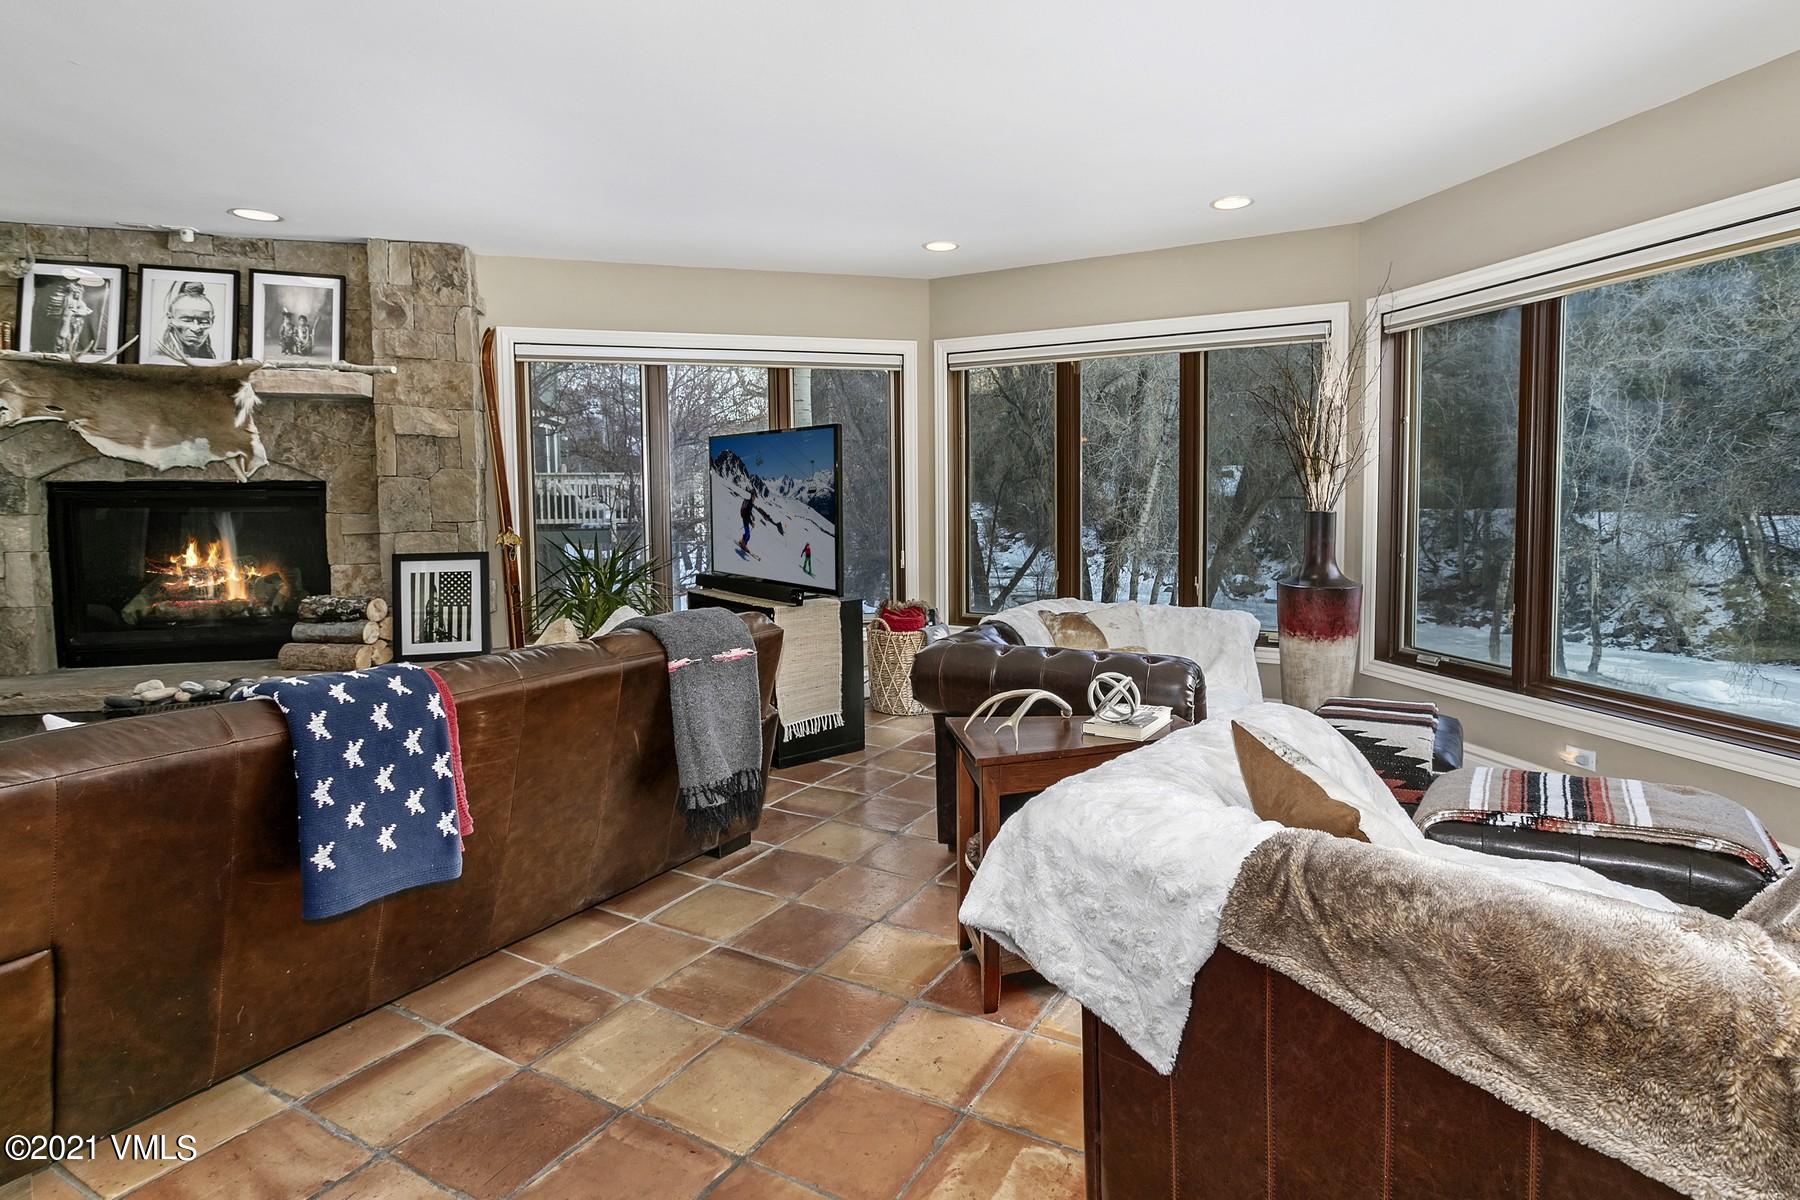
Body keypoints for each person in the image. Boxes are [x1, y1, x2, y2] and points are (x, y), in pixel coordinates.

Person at [156, 281, 218, 361]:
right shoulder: (158, 358)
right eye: (186, 320)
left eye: (204, 322)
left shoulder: (212, 359)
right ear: (170, 319)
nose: (195, 328)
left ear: (212, 321)